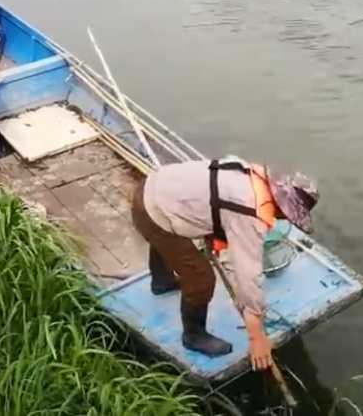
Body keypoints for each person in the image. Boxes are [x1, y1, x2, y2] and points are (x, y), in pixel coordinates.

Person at [130, 156, 319, 371]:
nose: (283, 219)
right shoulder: (250, 213)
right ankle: (193, 335)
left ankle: (162, 281)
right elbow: (249, 278)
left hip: (152, 189)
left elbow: (215, 200)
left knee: (167, 237)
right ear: (282, 207)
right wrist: (256, 336)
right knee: (201, 278)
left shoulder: (250, 176)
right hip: (153, 212)